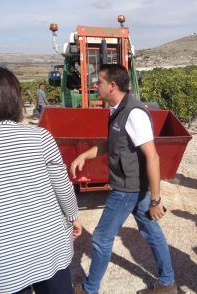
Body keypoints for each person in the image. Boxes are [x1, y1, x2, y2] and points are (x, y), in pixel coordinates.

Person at [0, 67, 81, 294]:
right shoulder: (40, 138)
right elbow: (63, 188)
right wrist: (73, 216)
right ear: (14, 99)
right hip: (46, 247)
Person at [71, 64, 177, 294]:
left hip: (128, 189)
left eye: (98, 81)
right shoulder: (117, 109)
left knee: (100, 239)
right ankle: (167, 284)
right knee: (152, 232)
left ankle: (89, 289)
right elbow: (112, 143)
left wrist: (156, 200)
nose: (94, 85)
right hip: (133, 186)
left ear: (112, 86)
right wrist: (84, 155)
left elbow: (153, 156)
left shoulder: (134, 113)